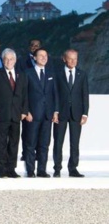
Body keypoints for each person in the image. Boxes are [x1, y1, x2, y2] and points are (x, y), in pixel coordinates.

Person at [0, 48, 28, 178]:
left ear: (15, 60)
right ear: (2, 60)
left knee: (14, 143)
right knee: (0, 143)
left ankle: (11, 169)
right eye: (6, 59)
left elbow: (25, 95)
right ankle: (2, 169)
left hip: (16, 114)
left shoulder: (22, 75)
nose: (9, 61)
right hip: (1, 114)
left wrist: (24, 111)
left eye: (11, 59)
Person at [53, 49, 89, 178]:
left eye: (75, 59)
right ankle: (57, 169)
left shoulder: (82, 74)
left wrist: (85, 113)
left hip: (77, 114)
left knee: (75, 143)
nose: (73, 61)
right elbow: (55, 94)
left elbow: (85, 95)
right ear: (64, 59)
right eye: (70, 58)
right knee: (58, 142)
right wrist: (55, 111)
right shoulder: (57, 74)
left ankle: (73, 169)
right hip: (60, 113)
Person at [23, 48, 58, 178]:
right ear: (34, 58)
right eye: (41, 55)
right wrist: (26, 111)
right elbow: (24, 94)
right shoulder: (27, 73)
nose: (44, 58)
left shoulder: (51, 73)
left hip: (48, 115)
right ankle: (31, 170)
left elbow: (55, 94)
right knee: (30, 144)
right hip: (32, 115)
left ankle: (42, 170)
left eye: (45, 55)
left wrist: (56, 111)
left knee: (44, 144)